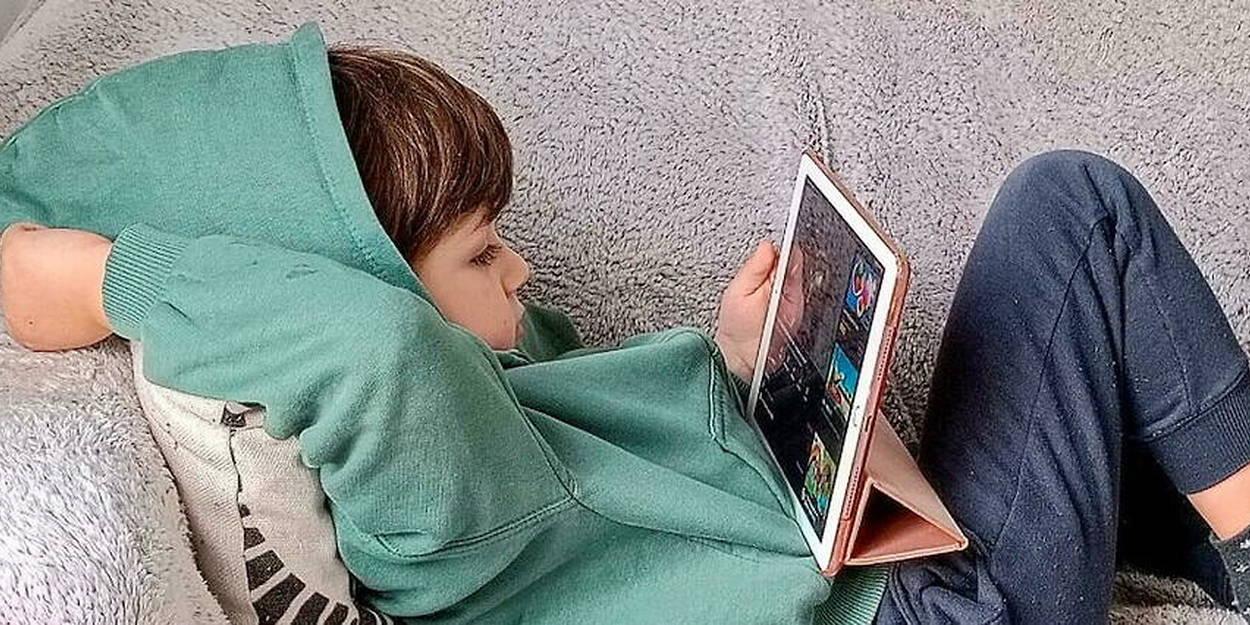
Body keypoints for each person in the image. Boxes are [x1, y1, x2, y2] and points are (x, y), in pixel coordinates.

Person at [2, 24, 1249, 625]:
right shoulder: (435, 485)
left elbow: (641, 520)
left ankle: (1194, 537)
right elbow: (376, 349)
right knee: (1072, 211)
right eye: (480, 252)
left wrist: (736, 366)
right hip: (944, 620)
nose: (520, 267)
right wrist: (113, 274)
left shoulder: (496, 432)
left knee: (1104, 411)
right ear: (360, 282)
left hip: (905, 580)